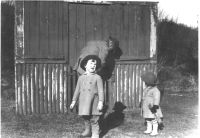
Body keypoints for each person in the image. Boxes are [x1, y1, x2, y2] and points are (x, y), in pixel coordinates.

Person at [70, 55, 104, 138]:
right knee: (85, 117)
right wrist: (73, 101)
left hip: (94, 102)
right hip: (84, 102)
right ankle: (88, 131)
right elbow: (77, 90)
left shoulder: (98, 77)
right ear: (85, 65)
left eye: (95, 65)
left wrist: (101, 102)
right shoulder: (81, 78)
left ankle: (95, 134)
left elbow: (101, 91)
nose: (93, 66)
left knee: (94, 119)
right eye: (91, 64)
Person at [140, 72, 164, 136]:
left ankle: (155, 131)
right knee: (148, 119)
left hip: (152, 107)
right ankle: (149, 129)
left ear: (149, 82)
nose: (145, 83)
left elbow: (157, 98)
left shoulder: (155, 90)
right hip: (146, 107)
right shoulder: (146, 89)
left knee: (154, 119)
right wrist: (141, 102)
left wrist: (155, 106)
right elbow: (144, 96)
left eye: (146, 82)